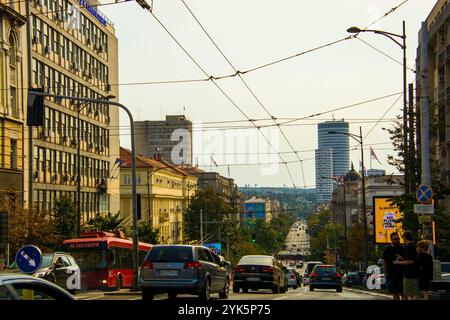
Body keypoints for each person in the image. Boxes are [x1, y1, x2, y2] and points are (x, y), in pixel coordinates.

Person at [394, 230, 420, 300]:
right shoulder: (414, 246)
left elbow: (410, 261)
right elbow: (411, 259)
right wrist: (401, 258)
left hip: (409, 274)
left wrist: (398, 262)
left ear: (405, 237)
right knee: (413, 294)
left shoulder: (408, 247)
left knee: (413, 294)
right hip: (414, 273)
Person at [382, 232, 405, 300]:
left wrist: (401, 258)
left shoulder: (402, 248)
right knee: (395, 293)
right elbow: (385, 261)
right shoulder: (387, 249)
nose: (397, 240)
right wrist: (385, 272)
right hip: (391, 274)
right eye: (395, 239)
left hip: (402, 273)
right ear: (391, 240)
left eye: (398, 239)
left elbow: (407, 260)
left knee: (403, 293)